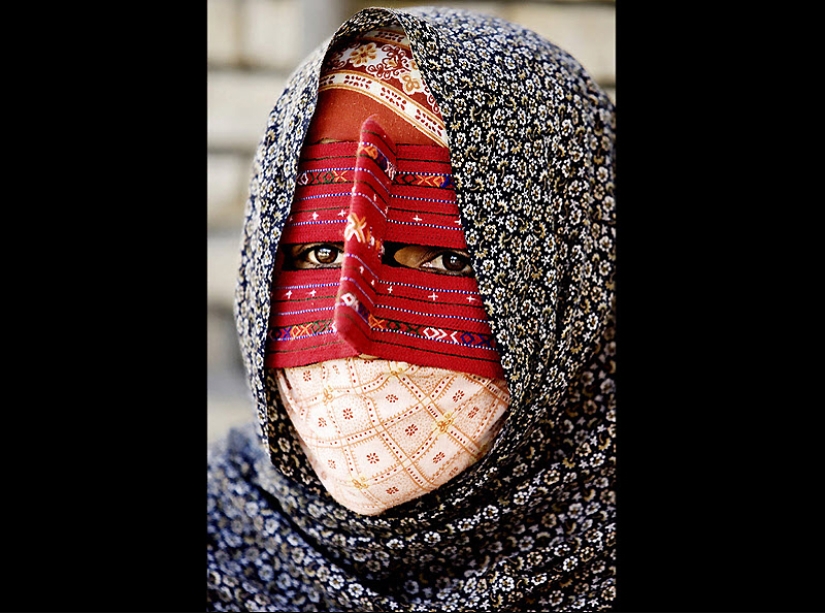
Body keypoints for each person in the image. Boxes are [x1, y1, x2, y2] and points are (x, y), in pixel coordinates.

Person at [208, 5, 616, 611]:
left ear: (571, 284)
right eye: (318, 252)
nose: (351, 330)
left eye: (450, 262)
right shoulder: (225, 534)